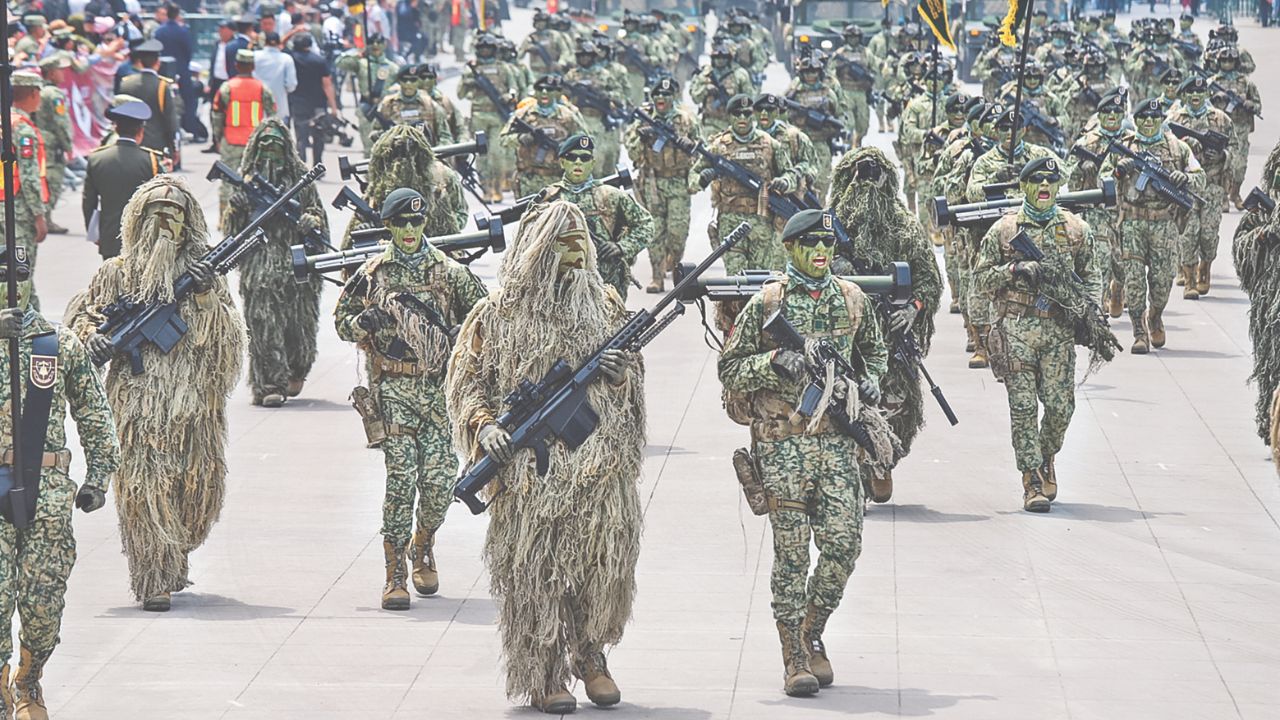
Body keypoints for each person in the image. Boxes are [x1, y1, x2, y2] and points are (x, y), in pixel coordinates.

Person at [446, 200, 644, 714]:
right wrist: (484, 425)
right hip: (533, 474)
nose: (575, 253)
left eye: (581, 242)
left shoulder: (605, 306)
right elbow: (469, 381)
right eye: (562, 243)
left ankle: (592, 656)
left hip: (599, 470)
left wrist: (622, 375)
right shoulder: (498, 314)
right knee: (537, 575)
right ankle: (544, 673)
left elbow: (634, 390)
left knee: (598, 569)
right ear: (537, 250)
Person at [718, 208, 889, 697]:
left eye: (828, 244)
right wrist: (775, 361)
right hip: (783, 446)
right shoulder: (767, 302)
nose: (821, 252)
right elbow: (730, 369)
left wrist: (870, 382)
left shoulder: (852, 299)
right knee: (791, 557)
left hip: (837, 445)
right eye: (811, 243)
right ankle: (794, 652)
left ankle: (814, 625)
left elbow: (874, 352)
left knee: (843, 545)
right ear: (790, 248)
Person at [69, 176, 247, 612]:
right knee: (144, 493)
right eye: (154, 217)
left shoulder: (202, 274)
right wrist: (90, 336)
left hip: (195, 409)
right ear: (136, 222)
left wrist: (205, 297)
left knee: (193, 497)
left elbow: (228, 342)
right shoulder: (116, 273)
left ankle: (174, 554)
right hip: (137, 406)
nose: (165, 227)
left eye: (175, 217)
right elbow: (81, 319)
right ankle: (153, 577)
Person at [335, 188, 487, 609]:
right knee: (401, 481)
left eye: (415, 222)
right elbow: (341, 322)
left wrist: (462, 337)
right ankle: (395, 573)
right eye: (400, 223)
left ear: (425, 224)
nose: (408, 230)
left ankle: (424, 544)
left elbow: (484, 318)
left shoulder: (447, 271)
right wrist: (361, 323)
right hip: (395, 390)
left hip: (439, 392)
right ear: (389, 225)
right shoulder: (373, 274)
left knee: (439, 484)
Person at [0, 245, 120, 720]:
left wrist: (98, 475)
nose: (12, 283)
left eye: (19, 274)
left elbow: (93, 412)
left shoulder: (58, 344)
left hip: (47, 493)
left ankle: (29, 682)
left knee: (43, 603)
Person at [974, 158, 1102, 512]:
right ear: (1025, 186)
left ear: (1058, 185)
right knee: (1024, 407)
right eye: (1036, 180)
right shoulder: (1004, 230)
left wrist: (1093, 313)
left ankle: (1046, 456)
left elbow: (1091, 275)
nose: (1044, 185)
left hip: (1058, 331)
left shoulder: (1077, 229)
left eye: (1051, 179)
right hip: (1016, 329)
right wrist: (1014, 269)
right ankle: (1031, 479)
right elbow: (980, 279)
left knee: (1061, 407)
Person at [829, 146, 943, 503]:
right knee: (841, 403)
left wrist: (913, 309)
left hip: (890, 336)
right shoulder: (827, 227)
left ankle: (881, 462)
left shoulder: (904, 227)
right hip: (841, 335)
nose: (866, 184)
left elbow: (929, 279)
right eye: (858, 175)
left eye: (874, 175)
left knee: (896, 405)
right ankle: (853, 471)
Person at [221, 119, 325, 407]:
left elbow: (318, 216)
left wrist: (311, 221)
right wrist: (237, 208)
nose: (270, 150)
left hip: (297, 265)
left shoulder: (301, 179)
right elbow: (231, 232)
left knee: (299, 327)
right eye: (264, 144)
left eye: (276, 145)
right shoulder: (247, 181)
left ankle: (295, 370)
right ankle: (268, 384)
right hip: (260, 266)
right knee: (264, 325)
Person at [1101, 97, 1203, 354]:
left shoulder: (1178, 148)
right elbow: (1102, 180)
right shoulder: (1122, 147)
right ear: (1135, 121)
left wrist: (1186, 178)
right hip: (1133, 222)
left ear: (1161, 120)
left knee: (1162, 281)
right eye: (1143, 118)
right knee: (1134, 281)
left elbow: (1200, 178)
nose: (1148, 122)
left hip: (1164, 224)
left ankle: (1155, 316)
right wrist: (1119, 170)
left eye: (1154, 118)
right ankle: (1139, 331)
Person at [688, 95, 798, 275]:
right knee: (735, 280)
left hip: (761, 221)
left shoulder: (770, 144)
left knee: (760, 281)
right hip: (730, 221)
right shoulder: (718, 146)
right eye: (737, 114)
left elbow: (791, 173)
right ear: (730, 116)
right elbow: (693, 177)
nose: (742, 118)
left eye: (746, 114)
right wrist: (701, 179)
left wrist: (784, 182)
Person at [538, 134, 653, 299]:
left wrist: (622, 247)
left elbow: (646, 224)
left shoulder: (611, 195)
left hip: (606, 285)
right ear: (562, 162)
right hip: (560, 287)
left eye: (584, 158)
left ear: (592, 163)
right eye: (572, 157)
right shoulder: (548, 198)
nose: (578, 162)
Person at [623, 77, 701, 293]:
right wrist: (641, 138)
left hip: (678, 182)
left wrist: (690, 146)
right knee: (655, 232)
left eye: (666, 95)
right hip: (652, 183)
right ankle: (657, 276)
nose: (661, 98)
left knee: (677, 232)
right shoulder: (643, 120)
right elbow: (633, 153)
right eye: (657, 94)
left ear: (673, 97)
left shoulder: (686, 120)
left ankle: (673, 261)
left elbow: (702, 153)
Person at [339, 125, 468, 250]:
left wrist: (436, 226)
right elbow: (348, 245)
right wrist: (365, 231)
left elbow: (460, 215)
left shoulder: (442, 178)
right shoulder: (380, 183)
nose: (402, 162)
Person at [1168, 75, 1238, 300]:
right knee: (1188, 234)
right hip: (1186, 187)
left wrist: (1222, 154)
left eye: (1200, 93)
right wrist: (1185, 145)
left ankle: (1205, 267)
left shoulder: (1221, 119)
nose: (1196, 96)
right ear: (1185, 95)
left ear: (1206, 95)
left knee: (1208, 235)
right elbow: (1163, 152)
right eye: (1191, 93)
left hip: (1212, 187)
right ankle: (1189, 279)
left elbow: (1237, 151)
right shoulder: (1174, 119)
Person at [1231, 140, 1280, 446]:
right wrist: (1265, 236)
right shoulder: (1263, 209)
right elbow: (1240, 248)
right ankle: (1270, 424)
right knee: (1271, 367)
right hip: (1271, 303)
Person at [82, 101, 165, 260]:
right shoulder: (151, 160)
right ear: (140, 131)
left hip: (109, 236)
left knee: (112, 281)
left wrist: (94, 232)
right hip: (142, 237)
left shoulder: (96, 159)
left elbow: (89, 202)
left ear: (116, 129)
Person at [1, 72, 48, 311]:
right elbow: (30, 179)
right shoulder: (23, 130)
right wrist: (39, 216)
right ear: (33, 93)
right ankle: (33, 327)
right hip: (17, 214)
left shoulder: (3, 122)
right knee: (21, 275)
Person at [211, 49, 277, 217]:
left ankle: (225, 217)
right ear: (253, 66)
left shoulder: (227, 88)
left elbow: (217, 115)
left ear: (236, 65)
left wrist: (217, 137)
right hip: (255, 143)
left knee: (227, 180)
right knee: (257, 181)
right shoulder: (262, 88)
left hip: (231, 141)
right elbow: (273, 116)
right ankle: (254, 216)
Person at [459, 33, 525, 201]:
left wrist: (508, 96)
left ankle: (497, 188)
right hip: (479, 116)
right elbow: (460, 94)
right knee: (481, 155)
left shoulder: (503, 68)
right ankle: (486, 188)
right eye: (483, 49)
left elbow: (514, 88)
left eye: (489, 48)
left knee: (497, 153)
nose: (486, 51)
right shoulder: (471, 70)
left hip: (497, 116)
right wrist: (468, 81)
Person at [500, 74, 587, 198]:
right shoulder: (522, 115)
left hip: (559, 180)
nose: (544, 93)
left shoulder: (567, 115)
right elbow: (503, 139)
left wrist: (568, 146)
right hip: (529, 180)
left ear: (555, 93)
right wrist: (521, 139)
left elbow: (585, 141)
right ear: (535, 93)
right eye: (540, 89)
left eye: (549, 89)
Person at [117, 38, 180, 158]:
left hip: (129, 141)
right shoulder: (162, 86)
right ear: (158, 62)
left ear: (140, 62)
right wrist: (175, 147)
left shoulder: (126, 83)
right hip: (155, 145)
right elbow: (170, 119)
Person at [35, 53, 74, 236]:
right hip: (51, 144)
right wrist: (68, 145)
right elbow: (61, 122)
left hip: (40, 141)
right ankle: (46, 219)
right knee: (52, 181)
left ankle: (44, 218)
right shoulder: (54, 94)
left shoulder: (39, 90)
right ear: (51, 73)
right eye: (59, 70)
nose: (63, 73)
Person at [287, 33, 339, 167]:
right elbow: (327, 84)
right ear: (309, 45)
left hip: (298, 102)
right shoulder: (319, 60)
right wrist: (333, 106)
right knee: (319, 135)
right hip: (318, 104)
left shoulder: (290, 59)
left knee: (301, 136)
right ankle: (317, 165)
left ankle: (301, 165)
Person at [154, 3, 201, 142]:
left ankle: (167, 131)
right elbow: (188, 51)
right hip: (182, 70)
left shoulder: (159, 31)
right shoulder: (183, 31)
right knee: (189, 102)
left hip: (163, 70)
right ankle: (192, 130)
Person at [373, 64, 452, 145]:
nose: (408, 84)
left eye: (413, 80)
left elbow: (445, 136)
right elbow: (374, 133)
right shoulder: (388, 104)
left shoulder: (430, 104)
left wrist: (436, 153)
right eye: (405, 80)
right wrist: (388, 135)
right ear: (399, 82)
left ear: (418, 81)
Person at [204, 21, 236, 153]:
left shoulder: (234, 45)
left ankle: (226, 141)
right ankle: (215, 141)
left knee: (228, 112)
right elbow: (212, 66)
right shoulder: (217, 45)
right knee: (214, 112)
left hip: (228, 82)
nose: (221, 32)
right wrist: (209, 83)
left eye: (224, 29)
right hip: (216, 81)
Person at [253, 31, 298, 125]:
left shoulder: (255, 56)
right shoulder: (286, 59)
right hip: (279, 107)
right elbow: (291, 85)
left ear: (265, 42)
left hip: (256, 106)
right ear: (279, 43)